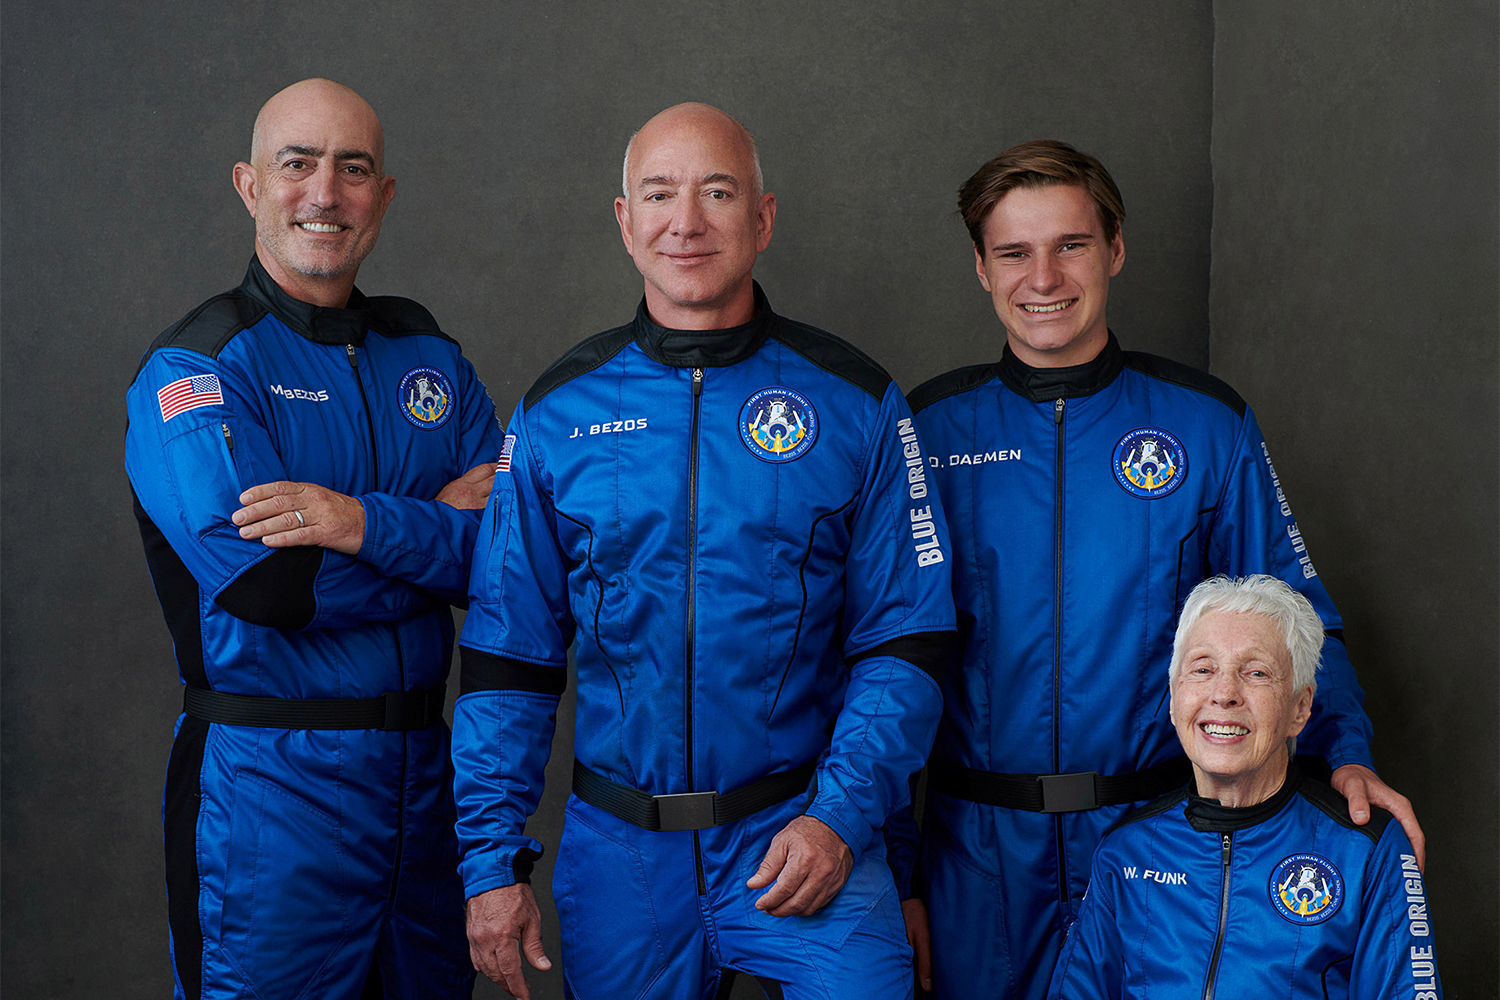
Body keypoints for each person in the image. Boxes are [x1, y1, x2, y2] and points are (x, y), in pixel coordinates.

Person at [451, 102, 956, 1000]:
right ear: (625, 221)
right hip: (622, 856)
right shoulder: (558, 414)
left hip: (800, 829)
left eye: (717, 192)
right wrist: (491, 864)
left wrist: (838, 819)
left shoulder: (853, 401)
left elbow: (906, 644)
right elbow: (506, 659)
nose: (686, 222)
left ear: (762, 218)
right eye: (660, 194)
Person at [900, 140, 1423, 999]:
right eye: (1013, 252)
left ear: (1115, 249)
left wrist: (1346, 756)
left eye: (1070, 244)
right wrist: (899, 870)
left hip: (1156, 844)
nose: (1044, 277)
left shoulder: (1205, 426)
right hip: (976, 860)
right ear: (980, 269)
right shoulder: (931, 433)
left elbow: (1292, 618)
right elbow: (894, 655)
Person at [124, 78, 501, 999]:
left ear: (385, 193)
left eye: (354, 168)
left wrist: (357, 525)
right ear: (251, 185)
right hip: (270, 800)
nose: (325, 193)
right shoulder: (198, 370)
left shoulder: (431, 356)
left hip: (422, 795)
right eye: (298, 164)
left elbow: (517, 560)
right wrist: (440, 527)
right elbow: (270, 591)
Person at [1047, 575, 1441, 998]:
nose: (1224, 693)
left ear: (1300, 708)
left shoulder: (1365, 851)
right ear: (1175, 695)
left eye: (1256, 672)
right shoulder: (1125, 852)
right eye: (1202, 668)